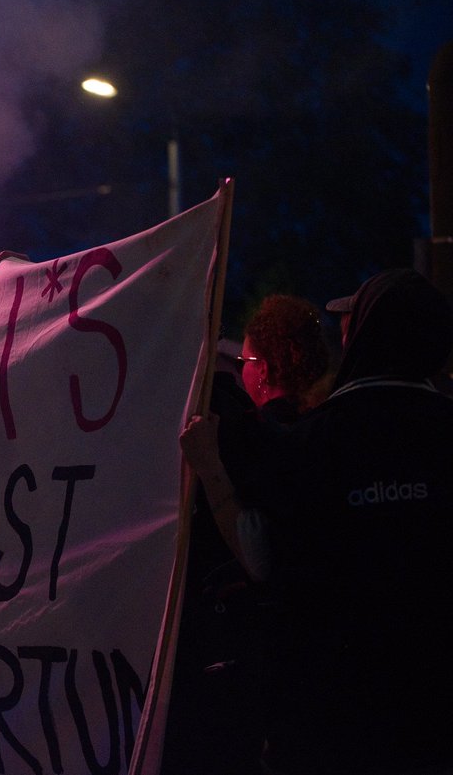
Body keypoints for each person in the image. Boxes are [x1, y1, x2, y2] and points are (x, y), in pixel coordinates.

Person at [186, 269, 453, 774]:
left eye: (351, 322)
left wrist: (210, 471)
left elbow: (264, 559)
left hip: (328, 722)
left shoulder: (312, 442)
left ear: (363, 335)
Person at [165, 295, 329, 775]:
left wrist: (211, 468)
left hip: (261, 655)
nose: (241, 372)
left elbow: (258, 552)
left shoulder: (257, 439)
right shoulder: (325, 432)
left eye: (245, 361)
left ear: (268, 366)